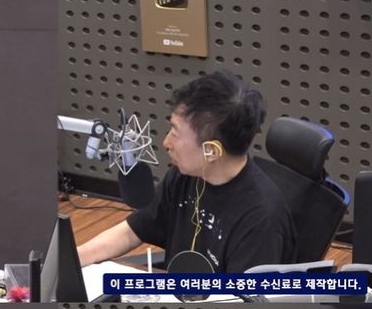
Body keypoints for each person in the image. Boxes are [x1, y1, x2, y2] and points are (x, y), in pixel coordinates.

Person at [78, 71, 297, 272]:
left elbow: (241, 300)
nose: (166, 142)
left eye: (175, 133)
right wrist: (73, 259)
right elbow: (131, 231)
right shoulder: (186, 175)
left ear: (211, 151)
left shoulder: (261, 220)